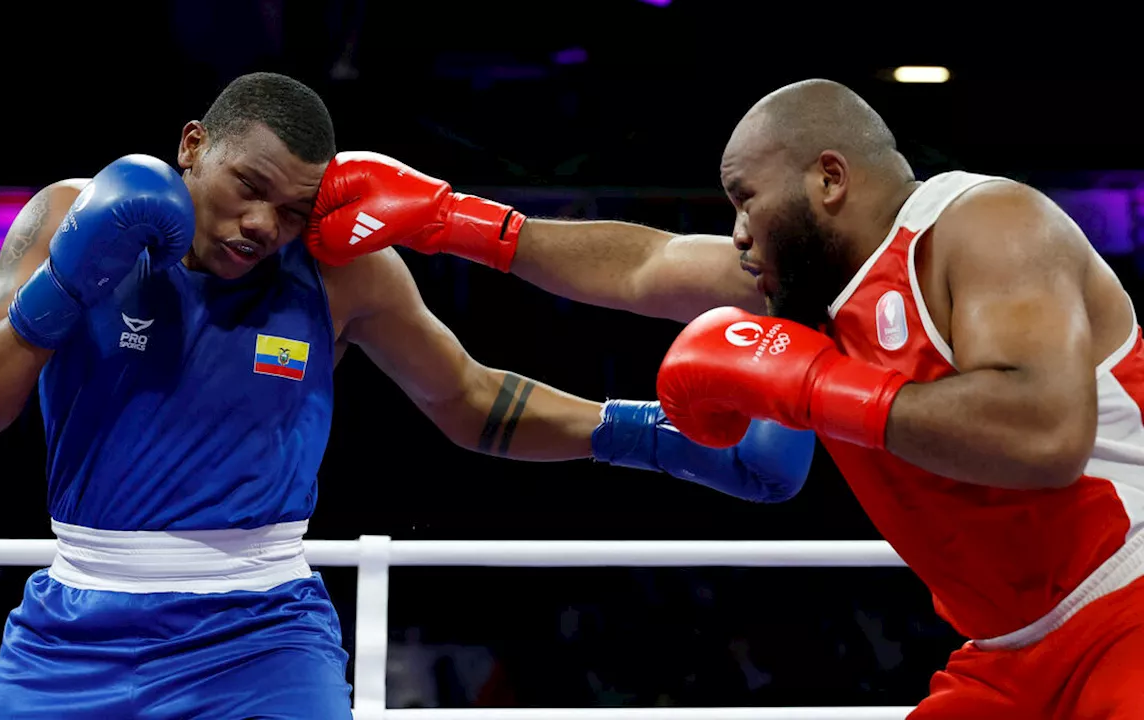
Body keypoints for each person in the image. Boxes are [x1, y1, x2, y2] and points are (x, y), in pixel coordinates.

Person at [0, 72, 814, 719]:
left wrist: (650, 434)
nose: (264, 225)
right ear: (193, 144)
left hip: (260, 636)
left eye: (295, 208)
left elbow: (468, 397)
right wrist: (68, 286)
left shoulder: (339, 270)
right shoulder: (70, 216)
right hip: (74, 633)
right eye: (248, 189)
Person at [305, 80, 1144, 716]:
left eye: (746, 199)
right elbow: (645, 265)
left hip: (1127, 607)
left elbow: (1045, 433)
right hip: (1006, 652)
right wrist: (450, 221)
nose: (737, 229)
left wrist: (817, 386)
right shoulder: (800, 290)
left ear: (828, 179)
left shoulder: (985, 225)